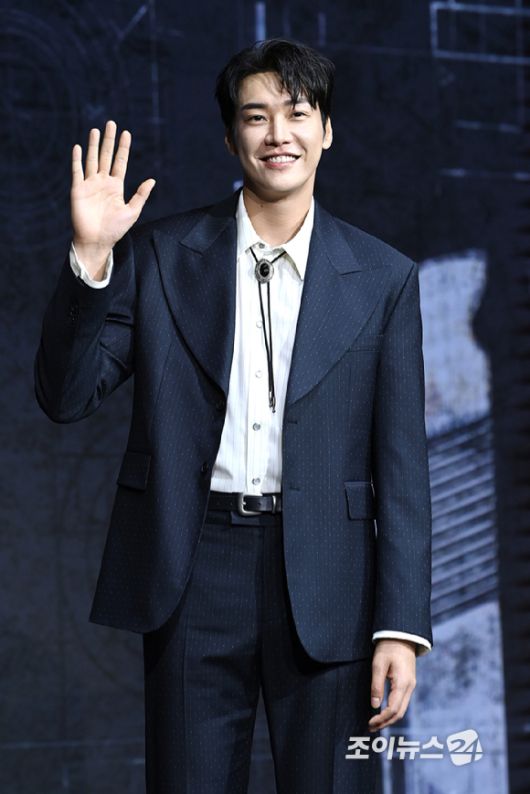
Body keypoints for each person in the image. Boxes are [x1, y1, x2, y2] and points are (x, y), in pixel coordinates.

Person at [34, 37, 433, 794]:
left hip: (332, 577)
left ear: (326, 131)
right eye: (256, 116)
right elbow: (65, 395)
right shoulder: (161, 255)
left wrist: (401, 625)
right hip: (193, 567)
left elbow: (404, 466)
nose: (278, 133)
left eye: (297, 113)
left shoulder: (384, 278)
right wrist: (90, 260)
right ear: (230, 138)